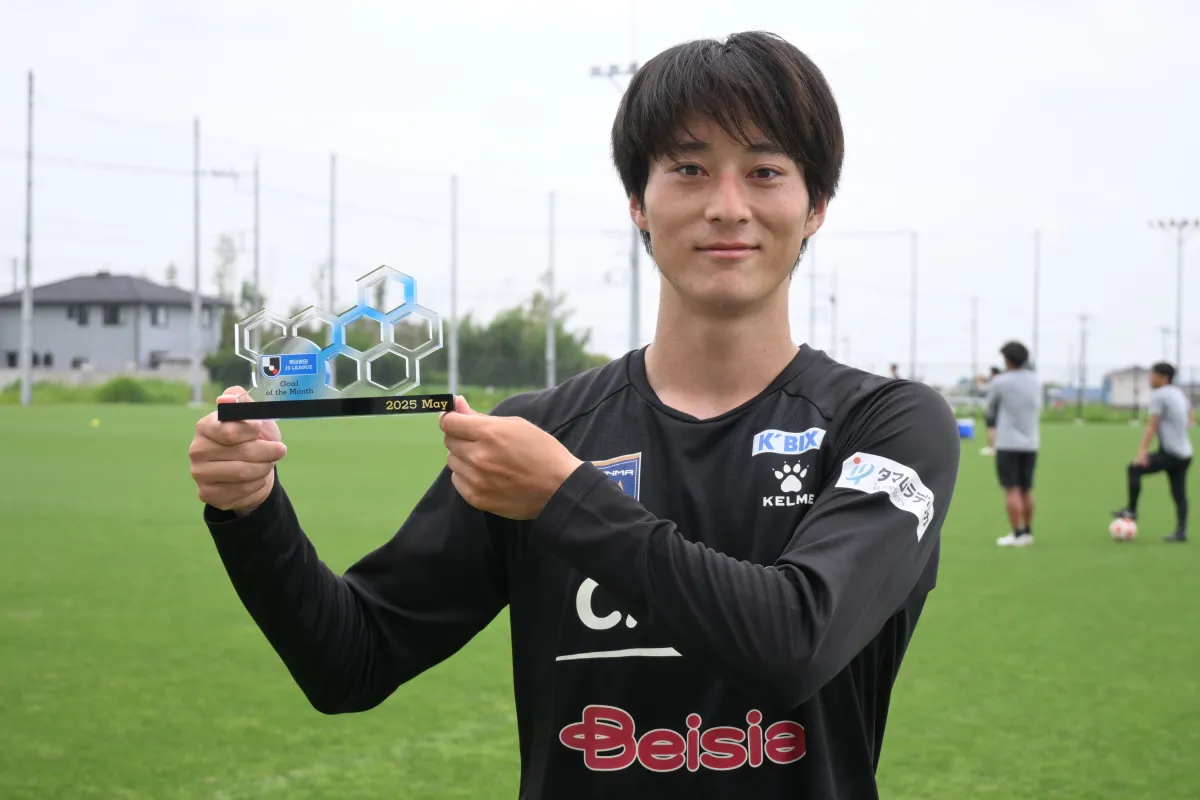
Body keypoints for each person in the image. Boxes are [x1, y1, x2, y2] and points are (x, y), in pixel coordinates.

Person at [187, 31, 961, 798]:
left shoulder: (887, 426)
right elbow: (349, 661)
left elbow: (795, 643)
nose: (728, 207)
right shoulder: (544, 435)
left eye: (765, 171)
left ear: (814, 206)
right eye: (689, 169)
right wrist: (251, 510)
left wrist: (566, 499)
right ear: (638, 203)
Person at [1113, 362, 1194, 542]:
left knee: (1134, 469)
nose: (1150, 378)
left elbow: (1151, 425)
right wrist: (1183, 426)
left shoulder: (1160, 395)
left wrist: (1142, 451)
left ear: (1164, 378)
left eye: (1153, 375)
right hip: (1185, 453)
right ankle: (1181, 532)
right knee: (1179, 493)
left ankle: (1131, 510)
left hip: (1171, 453)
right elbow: (1190, 413)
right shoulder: (1177, 392)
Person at [986, 342, 1042, 547]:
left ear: (1008, 360)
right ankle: (1027, 531)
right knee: (1027, 489)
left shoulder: (1000, 382)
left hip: (1007, 443)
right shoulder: (1036, 381)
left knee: (1012, 489)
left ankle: (1016, 533)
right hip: (1031, 443)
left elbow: (990, 408)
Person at [980, 366, 1002, 456]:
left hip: (992, 409)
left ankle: (992, 448)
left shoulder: (994, 382)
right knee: (996, 428)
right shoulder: (1002, 381)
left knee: (991, 428)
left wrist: (980, 381)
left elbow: (983, 389)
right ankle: (996, 447)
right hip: (1000, 409)